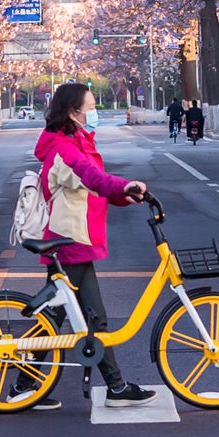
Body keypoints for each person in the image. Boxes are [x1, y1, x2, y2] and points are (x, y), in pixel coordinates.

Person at [32, 79, 155, 411]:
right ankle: (114, 386)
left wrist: (123, 196)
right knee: (90, 318)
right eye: (90, 107)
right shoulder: (64, 148)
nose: (94, 112)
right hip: (70, 240)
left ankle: (25, 385)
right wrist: (125, 184)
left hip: (73, 238)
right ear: (73, 112)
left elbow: (91, 188)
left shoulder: (72, 141)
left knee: (58, 319)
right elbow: (91, 177)